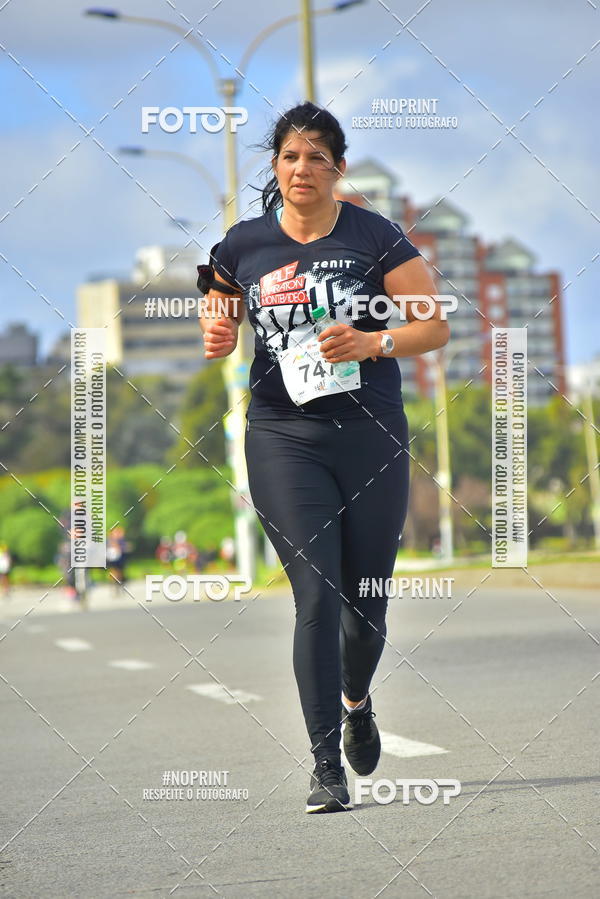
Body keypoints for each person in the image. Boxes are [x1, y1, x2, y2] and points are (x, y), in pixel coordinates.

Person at [199, 102, 449, 814]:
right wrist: (217, 331)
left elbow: (433, 326)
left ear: (338, 168)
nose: (301, 169)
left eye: (315, 158)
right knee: (316, 593)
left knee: (365, 607)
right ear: (275, 169)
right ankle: (323, 765)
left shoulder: (375, 235)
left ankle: (357, 700)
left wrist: (374, 344)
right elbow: (216, 301)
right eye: (289, 158)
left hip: (371, 432)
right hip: (282, 435)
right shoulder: (243, 244)